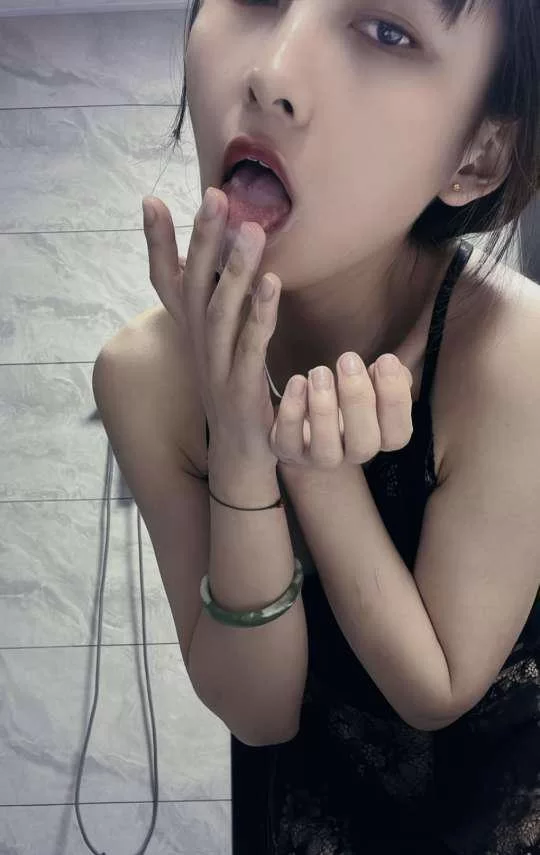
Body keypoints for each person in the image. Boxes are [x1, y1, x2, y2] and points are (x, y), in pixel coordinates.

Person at [142, 0, 540, 852]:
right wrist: (239, 439)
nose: (272, 73)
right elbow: (260, 713)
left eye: (389, 32)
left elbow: (434, 687)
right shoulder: (144, 376)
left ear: (478, 157)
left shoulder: (515, 357)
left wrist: (314, 466)